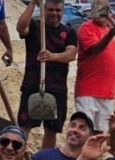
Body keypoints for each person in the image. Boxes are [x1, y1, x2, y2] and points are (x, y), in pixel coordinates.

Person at [15, 0, 77, 149]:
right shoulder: (35, 27)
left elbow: (71, 54)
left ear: (63, 11)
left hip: (57, 87)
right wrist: (32, 4)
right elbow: (21, 28)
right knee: (24, 126)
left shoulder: (68, 32)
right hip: (32, 84)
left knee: (52, 129)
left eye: (58, 10)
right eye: (50, 10)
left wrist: (52, 56)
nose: (54, 14)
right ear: (44, 10)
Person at [75, 2, 115, 133]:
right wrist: (111, 35)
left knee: (100, 133)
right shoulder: (86, 28)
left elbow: (108, 56)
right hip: (88, 90)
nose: (103, 14)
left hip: (107, 92)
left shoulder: (107, 31)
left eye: (106, 10)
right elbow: (94, 50)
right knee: (84, 131)